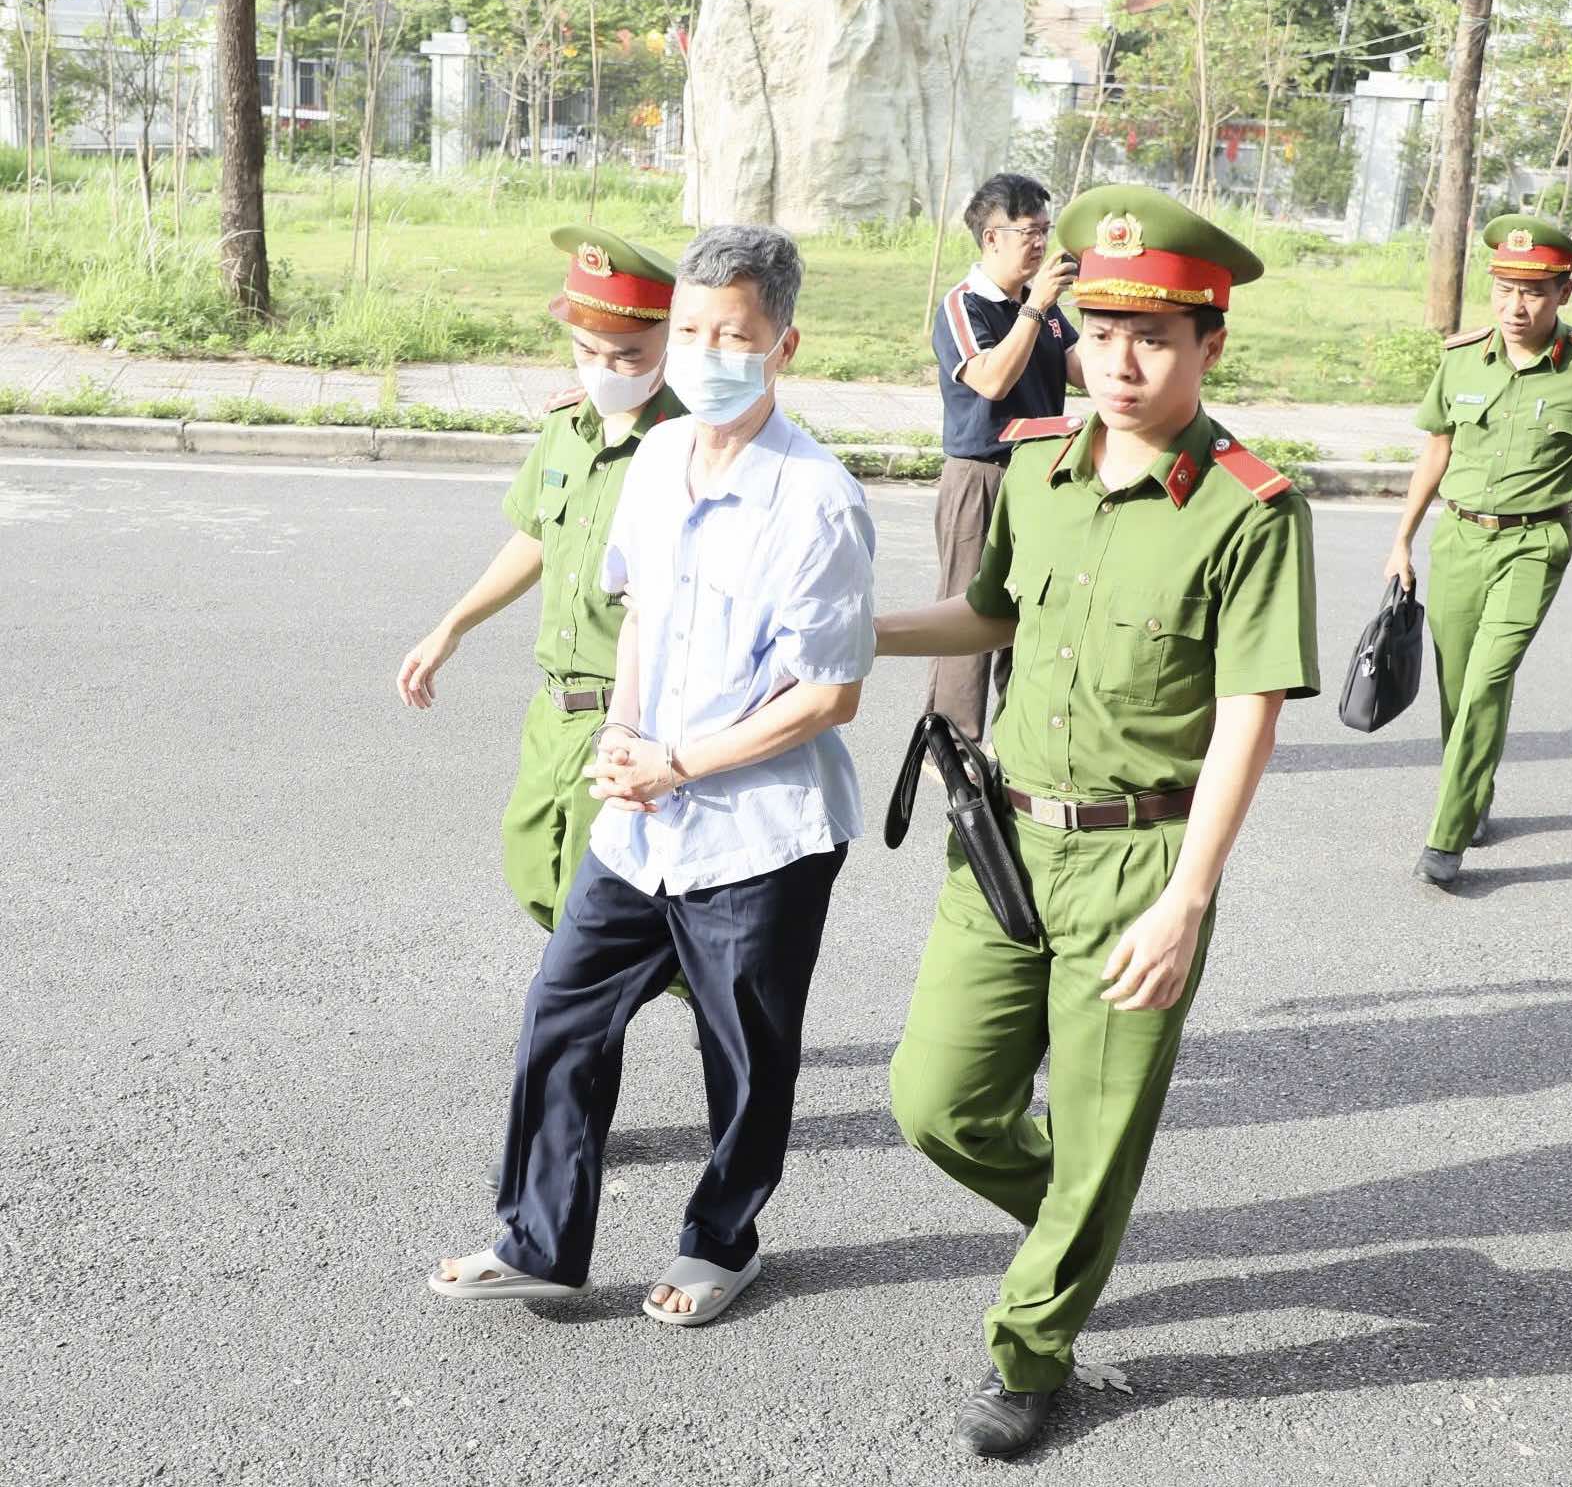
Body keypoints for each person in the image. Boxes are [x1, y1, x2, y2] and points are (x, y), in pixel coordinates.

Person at [876, 185, 1318, 1458]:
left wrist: (1187, 897)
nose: (1123, 360)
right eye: (1104, 328)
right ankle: (1077, 1213)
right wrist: (863, 630)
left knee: (1103, 1124)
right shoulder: (1037, 465)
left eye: (1158, 336)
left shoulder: (1250, 505)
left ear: (1208, 346)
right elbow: (992, 613)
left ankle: (1033, 1347)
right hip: (1007, 842)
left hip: (1142, 859)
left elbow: (1250, 712)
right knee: (935, 1100)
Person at [427, 224, 876, 1324]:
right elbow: (637, 612)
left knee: (745, 1052)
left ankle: (723, 1240)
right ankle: (537, 1237)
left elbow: (826, 697)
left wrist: (677, 762)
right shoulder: (661, 459)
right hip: (643, 814)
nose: (705, 351)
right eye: (688, 330)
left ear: (783, 345)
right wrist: (625, 744)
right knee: (564, 1011)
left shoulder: (818, 502)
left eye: (734, 334)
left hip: (758, 833)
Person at [396, 225, 691, 1189]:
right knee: (537, 877)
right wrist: (450, 627)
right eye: (588, 353)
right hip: (551, 714)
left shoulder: (691, 444)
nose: (605, 371)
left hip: (630, 721)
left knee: (579, 944)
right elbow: (532, 539)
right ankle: (688, 965)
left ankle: (575, 1111)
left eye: (628, 356)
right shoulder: (566, 428)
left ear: (670, 343)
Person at [1382, 213, 1572, 890]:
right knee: (1457, 685)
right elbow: (1437, 447)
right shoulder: (1459, 358)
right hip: (1458, 536)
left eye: (1533, 291)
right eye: (1504, 289)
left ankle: (1446, 837)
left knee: (1487, 680)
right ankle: (1474, 792)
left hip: (1536, 542)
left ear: (1564, 292)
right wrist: (1402, 537)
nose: (1515, 306)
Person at [925, 172, 1084, 742]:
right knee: (968, 610)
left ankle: (1021, 735)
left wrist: (1101, 310)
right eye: (1029, 232)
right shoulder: (964, 306)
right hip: (982, 477)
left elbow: (1081, 369)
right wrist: (1036, 308)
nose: (1042, 244)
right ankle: (953, 745)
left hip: (1040, 477)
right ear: (992, 237)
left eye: (1047, 230)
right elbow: (990, 380)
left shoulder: (1038, 305)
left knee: (1036, 610)